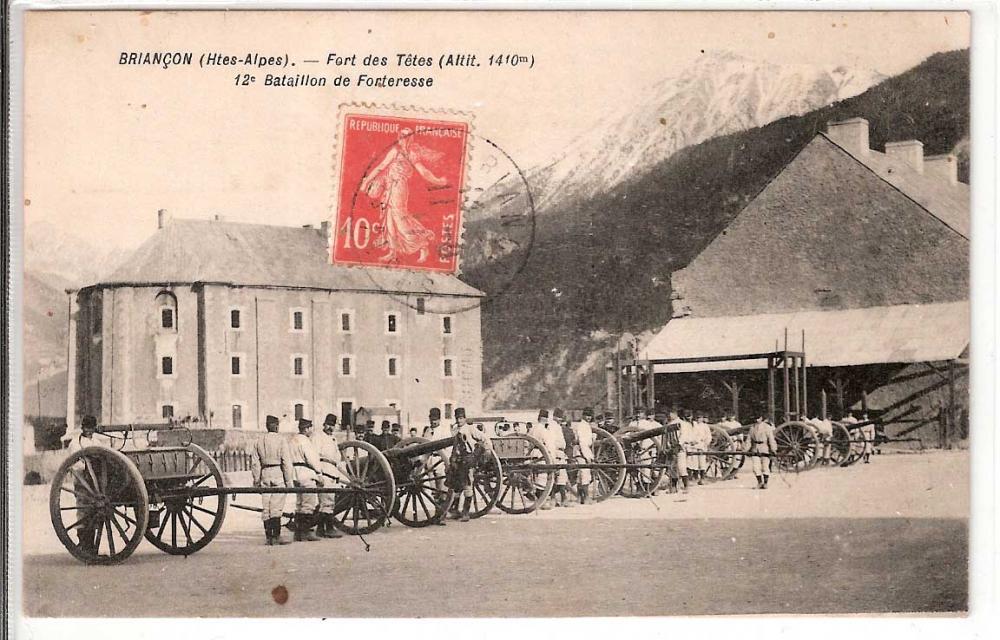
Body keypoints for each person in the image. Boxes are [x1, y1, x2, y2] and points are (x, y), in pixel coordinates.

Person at [360, 127, 447, 264]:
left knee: (400, 219)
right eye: (402, 136)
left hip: (399, 188)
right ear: (399, 137)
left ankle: (423, 244)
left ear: (411, 138)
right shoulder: (395, 151)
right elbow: (380, 167)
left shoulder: (412, 153)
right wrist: (367, 182)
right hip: (389, 187)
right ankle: (392, 252)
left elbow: (423, 172)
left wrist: (438, 181)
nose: (405, 139)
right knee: (389, 221)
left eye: (408, 136)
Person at [250, 415, 295, 546]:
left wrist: (256, 479)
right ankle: (276, 536)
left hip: (265, 473)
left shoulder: (259, 441)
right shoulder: (281, 440)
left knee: (266, 505)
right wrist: (289, 481)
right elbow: (286, 462)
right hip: (277, 473)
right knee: (276, 505)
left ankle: (268, 537)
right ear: (276, 426)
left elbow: (255, 463)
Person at [445, 407, 489, 522]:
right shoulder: (454, 430)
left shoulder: (470, 429)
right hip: (456, 461)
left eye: (461, 418)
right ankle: (455, 511)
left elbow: (484, 438)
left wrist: (485, 451)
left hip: (467, 460)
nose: (459, 421)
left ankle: (465, 513)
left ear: (465, 418)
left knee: (467, 486)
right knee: (456, 486)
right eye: (457, 418)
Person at [288, 418, 324, 541]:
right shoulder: (306, 442)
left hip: (295, 472)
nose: (311, 430)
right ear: (307, 428)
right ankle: (306, 531)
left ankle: (298, 533)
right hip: (306, 472)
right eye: (311, 428)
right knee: (308, 503)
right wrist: (319, 473)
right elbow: (312, 459)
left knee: (299, 503)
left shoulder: (292, 440)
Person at [311, 414, 346, 539]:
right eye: (328, 425)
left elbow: (337, 457)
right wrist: (318, 472)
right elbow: (314, 455)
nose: (330, 428)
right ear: (324, 424)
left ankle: (322, 529)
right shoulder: (317, 437)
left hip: (332, 470)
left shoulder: (333, 439)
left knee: (330, 501)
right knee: (325, 500)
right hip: (323, 468)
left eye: (332, 426)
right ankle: (327, 528)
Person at [571, 408, 597, 504]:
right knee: (585, 474)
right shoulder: (582, 425)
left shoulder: (587, 425)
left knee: (581, 475)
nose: (588, 417)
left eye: (590, 416)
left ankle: (579, 497)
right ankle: (586, 497)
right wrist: (587, 456)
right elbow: (582, 442)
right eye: (587, 415)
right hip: (581, 451)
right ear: (583, 415)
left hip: (584, 450)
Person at [744, 416, 778, 489]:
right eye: (755, 418)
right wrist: (745, 450)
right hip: (755, 449)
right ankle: (759, 482)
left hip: (765, 448)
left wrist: (773, 449)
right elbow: (749, 440)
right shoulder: (752, 428)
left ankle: (765, 483)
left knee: (765, 466)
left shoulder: (767, 427)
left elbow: (771, 439)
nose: (756, 420)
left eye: (758, 418)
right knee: (755, 467)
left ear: (761, 418)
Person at [691, 413, 713, 485]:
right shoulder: (693, 425)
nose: (699, 419)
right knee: (694, 462)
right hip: (694, 446)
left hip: (702, 445)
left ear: (702, 418)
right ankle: (695, 477)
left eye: (700, 418)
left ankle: (702, 478)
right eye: (697, 418)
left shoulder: (705, 426)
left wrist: (705, 443)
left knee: (702, 462)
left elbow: (708, 436)